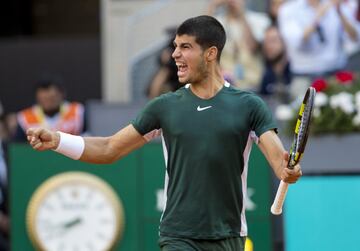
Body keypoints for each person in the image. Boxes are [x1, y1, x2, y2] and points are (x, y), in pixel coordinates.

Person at [26, 15, 302, 251]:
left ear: (211, 53)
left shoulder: (249, 105)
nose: (175, 55)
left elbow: (280, 162)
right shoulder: (164, 106)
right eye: (175, 47)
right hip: (177, 235)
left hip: (229, 235)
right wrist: (58, 140)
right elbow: (110, 149)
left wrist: (288, 170)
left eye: (185, 47)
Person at [278, 0, 359, 98]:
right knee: (303, 113)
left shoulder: (335, 5)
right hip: (305, 78)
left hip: (335, 76)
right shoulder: (289, 9)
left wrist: (340, 13)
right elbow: (297, 41)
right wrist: (318, 17)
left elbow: (355, 38)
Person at [207, 0, 270, 90]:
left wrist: (241, 15)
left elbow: (252, 47)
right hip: (225, 85)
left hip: (251, 85)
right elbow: (203, 39)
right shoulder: (218, 21)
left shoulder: (259, 19)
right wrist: (213, 5)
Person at [14, 80, 85, 141]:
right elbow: (18, 146)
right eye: (44, 99)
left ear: (62, 94)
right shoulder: (25, 117)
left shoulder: (77, 111)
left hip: (70, 154)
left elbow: (87, 137)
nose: (48, 103)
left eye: (52, 98)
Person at [147, 27, 183, 99]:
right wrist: (166, 63)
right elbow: (161, 60)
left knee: (164, 72)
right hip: (172, 71)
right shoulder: (170, 45)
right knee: (164, 71)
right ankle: (153, 100)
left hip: (180, 71)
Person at [259, 25, 292, 103]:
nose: (268, 46)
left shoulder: (294, 71)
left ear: (284, 42)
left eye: (273, 41)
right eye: (266, 41)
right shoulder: (266, 75)